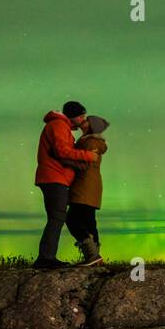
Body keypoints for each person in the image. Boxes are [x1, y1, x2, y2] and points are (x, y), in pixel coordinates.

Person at [33, 100, 101, 269]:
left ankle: (48, 257)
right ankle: (46, 258)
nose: (84, 119)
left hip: (56, 177)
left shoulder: (60, 126)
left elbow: (62, 154)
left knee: (58, 217)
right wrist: (87, 156)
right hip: (54, 178)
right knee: (58, 217)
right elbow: (62, 151)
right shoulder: (58, 125)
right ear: (73, 117)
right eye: (81, 115)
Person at [66, 115, 109, 265]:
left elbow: (84, 164)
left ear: (90, 126)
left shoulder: (90, 143)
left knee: (72, 219)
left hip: (85, 185)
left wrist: (65, 160)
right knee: (89, 221)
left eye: (86, 121)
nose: (82, 122)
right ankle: (95, 257)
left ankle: (92, 255)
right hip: (90, 186)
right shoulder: (91, 141)